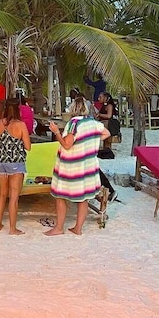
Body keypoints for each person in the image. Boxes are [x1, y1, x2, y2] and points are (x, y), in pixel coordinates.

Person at [45, 96, 110, 236]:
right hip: (88, 167)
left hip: (72, 167)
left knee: (60, 196)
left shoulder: (74, 124)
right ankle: (78, 228)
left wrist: (56, 131)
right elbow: (107, 133)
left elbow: (67, 145)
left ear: (73, 108)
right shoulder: (93, 123)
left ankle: (59, 228)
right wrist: (89, 142)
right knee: (84, 197)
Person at [0, 98, 31, 234]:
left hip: (0, 162)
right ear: (18, 109)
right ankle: (12, 229)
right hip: (15, 162)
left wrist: (3, 144)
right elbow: (28, 147)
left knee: (2, 194)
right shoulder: (21, 125)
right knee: (13, 197)